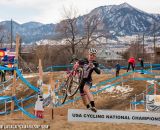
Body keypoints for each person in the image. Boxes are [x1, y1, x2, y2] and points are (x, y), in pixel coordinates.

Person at [78, 48, 101, 112]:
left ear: (95, 57)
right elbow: (77, 64)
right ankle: (88, 107)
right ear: (88, 55)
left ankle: (93, 106)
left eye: (93, 56)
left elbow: (99, 72)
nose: (92, 57)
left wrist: (93, 67)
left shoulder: (95, 63)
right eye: (91, 55)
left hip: (88, 80)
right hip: (81, 80)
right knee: (83, 96)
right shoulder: (83, 60)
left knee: (86, 89)